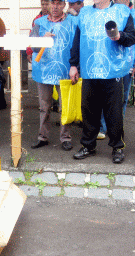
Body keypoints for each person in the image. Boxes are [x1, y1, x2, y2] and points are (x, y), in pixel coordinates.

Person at [70, 0, 135, 164]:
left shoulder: (122, 12)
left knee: (113, 112)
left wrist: (120, 36)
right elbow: (77, 41)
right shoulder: (84, 13)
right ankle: (88, 145)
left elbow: (131, 38)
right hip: (90, 70)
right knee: (89, 111)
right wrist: (73, 64)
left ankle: (117, 147)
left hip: (113, 71)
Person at [30, 0, 77, 151]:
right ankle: (42, 137)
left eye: (59, 3)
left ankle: (65, 138)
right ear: (48, 5)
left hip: (65, 69)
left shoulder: (72, 22)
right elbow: (33, 46)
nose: (55, 7)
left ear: (64, 5)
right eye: (52, 3)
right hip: (44, 70)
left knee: (65, 106)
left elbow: (77, 45)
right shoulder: (39, 22)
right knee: (44, 106)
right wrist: (42, 40)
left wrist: (76, 67)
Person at [97, 0, 135, 140]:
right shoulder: (106, 9)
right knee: (103, 96)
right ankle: (102, 127)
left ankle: (117, 127)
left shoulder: (132, 13)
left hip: (128, 63)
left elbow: (133, 38)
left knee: (122, 98)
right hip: (106, 62)